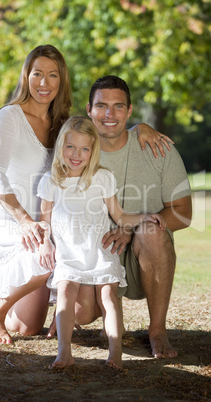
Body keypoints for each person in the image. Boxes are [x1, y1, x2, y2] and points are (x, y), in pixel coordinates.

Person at [0, 45, 172, 345]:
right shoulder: (10, 117)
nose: (44, 83)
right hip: (8, 217)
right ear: (26, 76)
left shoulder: (61, 122)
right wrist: (25, 221)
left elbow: (100, 129)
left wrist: (141, 127)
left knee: (28, 327)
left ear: (61, 80)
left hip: (45, 220)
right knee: (51, 261)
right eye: (37, 74)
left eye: (52, 75)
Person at [60, 75, 192, 359]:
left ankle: (157, 332)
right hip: (93, 253)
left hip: (141, 254)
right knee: (81, 314)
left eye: (118, 106)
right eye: (102, 106)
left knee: (151, 231)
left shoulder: (158, 149)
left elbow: (184, 213)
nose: (110, 114)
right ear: (89, 110)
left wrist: (133, 230)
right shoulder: (76, 153)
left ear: (130, 110)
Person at [37, 116, 166, 369]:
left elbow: (119, 215)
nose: (77, 154)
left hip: (100, 250)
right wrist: (45, 244)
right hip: (69, 253)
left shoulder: (102, 177)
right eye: (71, 147)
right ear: (61, 146)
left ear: (93, 151)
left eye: (85, 149)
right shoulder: (51, 181)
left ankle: (115, 352)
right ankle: (64, 352)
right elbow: (45, 221)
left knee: (109, 296)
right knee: (64, 294)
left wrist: (144, 217)